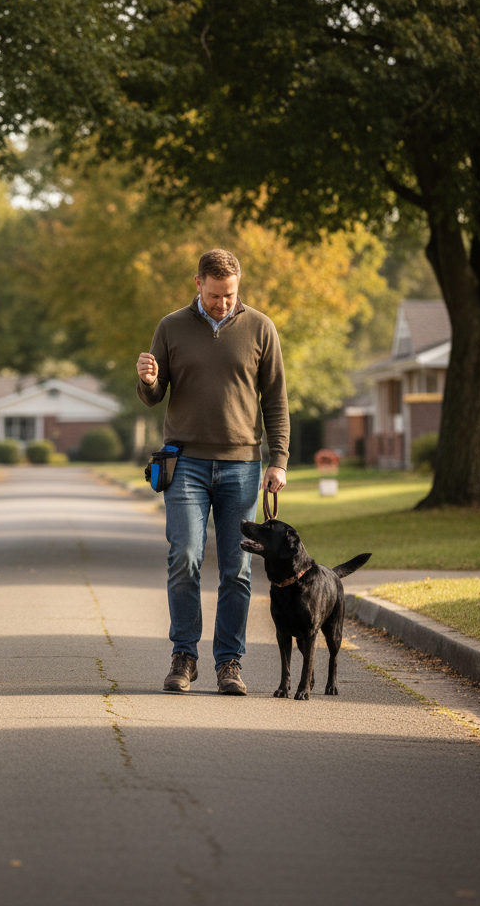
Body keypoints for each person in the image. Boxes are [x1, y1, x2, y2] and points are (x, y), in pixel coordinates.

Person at [136, 249, 289, 695]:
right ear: (198, 284)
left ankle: (230, 663)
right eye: (216, 294)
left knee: (237, 569)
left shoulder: (261, 327)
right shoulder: (171, 326)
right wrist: (147, 380)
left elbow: (276, 400)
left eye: (231, 295)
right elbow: (154, 395)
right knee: (184, 556)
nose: (224, 303)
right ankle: (184, 656)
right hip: (185, 463)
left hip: (243, 464)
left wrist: (278, 459)